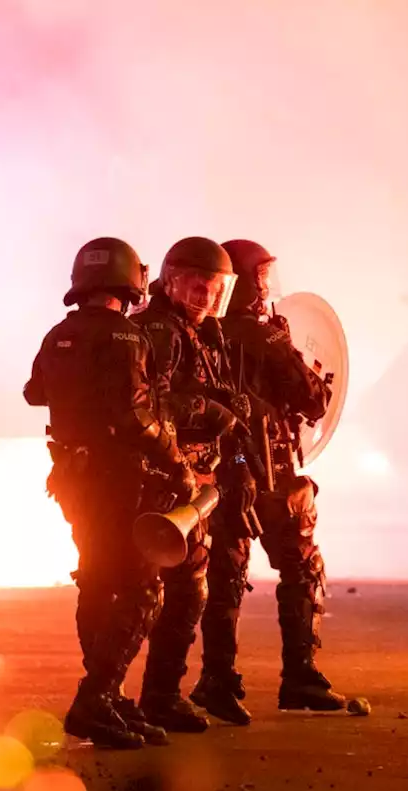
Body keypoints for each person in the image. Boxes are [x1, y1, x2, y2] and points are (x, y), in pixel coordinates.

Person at [24, 237, 196, 750]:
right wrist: (179, 462)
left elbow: (35, 393)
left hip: (73, 478)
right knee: (143, 588)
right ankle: (95, 697)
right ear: (130, 281)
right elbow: (136, 418)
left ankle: (111, 696)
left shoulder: (58, 334)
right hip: (119, 477)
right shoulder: (127, 335)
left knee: (96, 583)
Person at [188, 238, 350, 725]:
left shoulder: (200, 333)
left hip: (220, 475)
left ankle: (216, 679)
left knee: (223, 579)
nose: (266, 289)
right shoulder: (266, 338)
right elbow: (313, 400)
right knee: (302, 568)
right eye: (261, 278)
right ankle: (300, 676)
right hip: (270, 472)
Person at [130, 236, 255, 733]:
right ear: (172, 280)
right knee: (148, 591)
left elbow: (228, 421)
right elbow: (149, 405)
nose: (206, 294)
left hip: (194, 477)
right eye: (196, 284)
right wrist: (211, 411)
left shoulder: (207, 335)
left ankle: (158, 696)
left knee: (188, 589)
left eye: (215, 287)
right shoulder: (158, 330)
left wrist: (239, 463)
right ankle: (142, 697)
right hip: (157, 477)